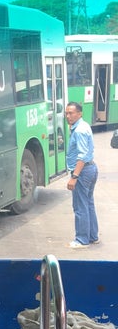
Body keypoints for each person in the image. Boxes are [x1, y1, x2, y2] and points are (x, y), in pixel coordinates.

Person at [65, 102, 99, 248]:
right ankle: (92, 236)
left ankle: (82, 240)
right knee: (88, 204)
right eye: (66, 113)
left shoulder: (79, 131)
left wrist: (74, 177)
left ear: (79, 114)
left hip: (83, 172)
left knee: (80, 206)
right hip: (90, 169)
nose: (68, 116)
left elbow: (82, 156)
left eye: (71, 113)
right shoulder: (83, 126)